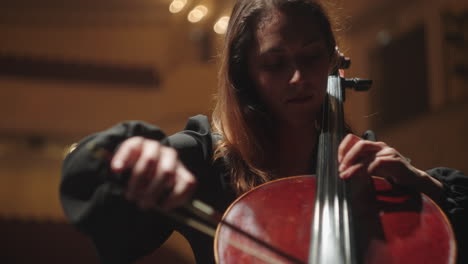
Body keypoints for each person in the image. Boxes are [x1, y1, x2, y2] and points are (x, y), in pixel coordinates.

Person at [60, 0, 468, 263]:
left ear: (333, 62)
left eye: (311, 57)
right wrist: (130, 153)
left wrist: (424, 185)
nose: (298, 78)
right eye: (275, 64)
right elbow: (95, 181)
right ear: (246, 76)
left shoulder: (364, 165)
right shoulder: (207, 159)